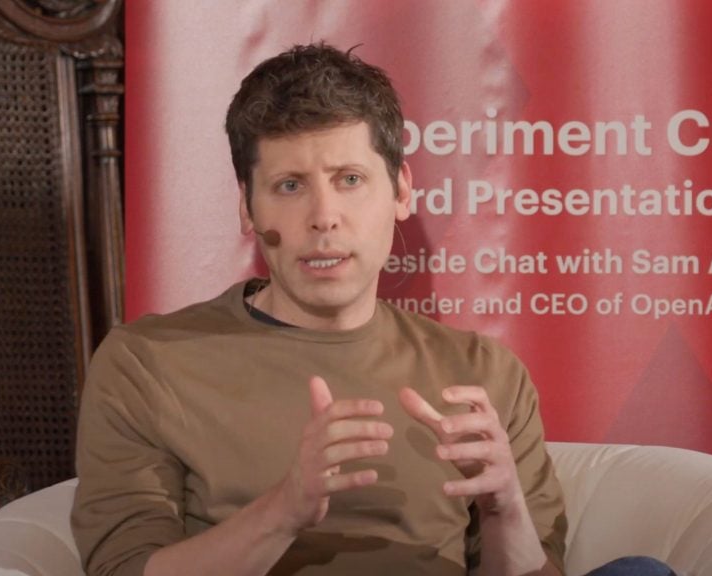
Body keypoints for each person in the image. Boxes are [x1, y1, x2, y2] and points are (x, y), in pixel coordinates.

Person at [71, 43, 674, 576]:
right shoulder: (145, 363)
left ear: (402, 191)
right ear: (248, 210)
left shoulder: (481, 374)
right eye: (289, 186)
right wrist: (284, 512)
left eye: (350, 179)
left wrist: (503, 509)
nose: (324, 216)